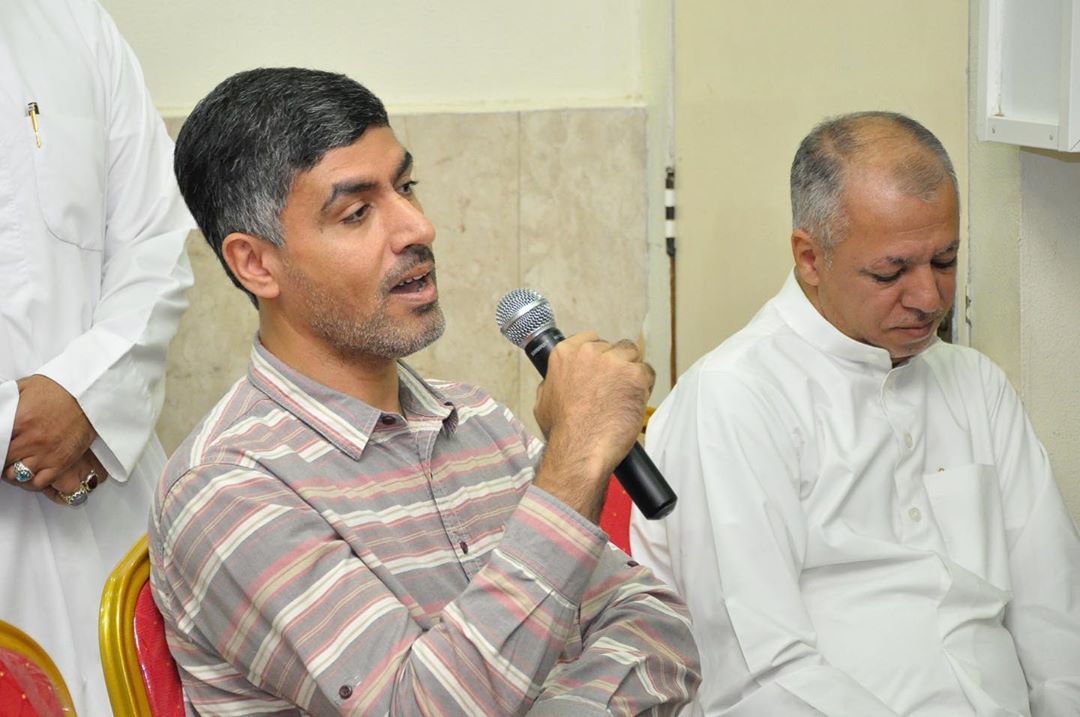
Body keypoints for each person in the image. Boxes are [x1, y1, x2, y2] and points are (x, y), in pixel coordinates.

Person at [150, 66, 701, 716]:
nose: (417, 228)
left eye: (406, 187)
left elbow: (653, 625)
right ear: (256, 263)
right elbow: (415, 705)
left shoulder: (474, 418)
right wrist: (575, 459)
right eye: (357, 212)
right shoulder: (227, 488)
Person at [632, 111, 1080, 716]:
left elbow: (1058, 622)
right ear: (810, 258)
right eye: (891, 272)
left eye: (945, 261)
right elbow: (761, 677)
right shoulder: (735, 399)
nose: (929, 298)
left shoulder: (976, 386)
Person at [0, 0, 194, 714]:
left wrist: (85, 397)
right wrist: (12, 426)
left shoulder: (72, 22)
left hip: (104, 488)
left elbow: (156, 240)